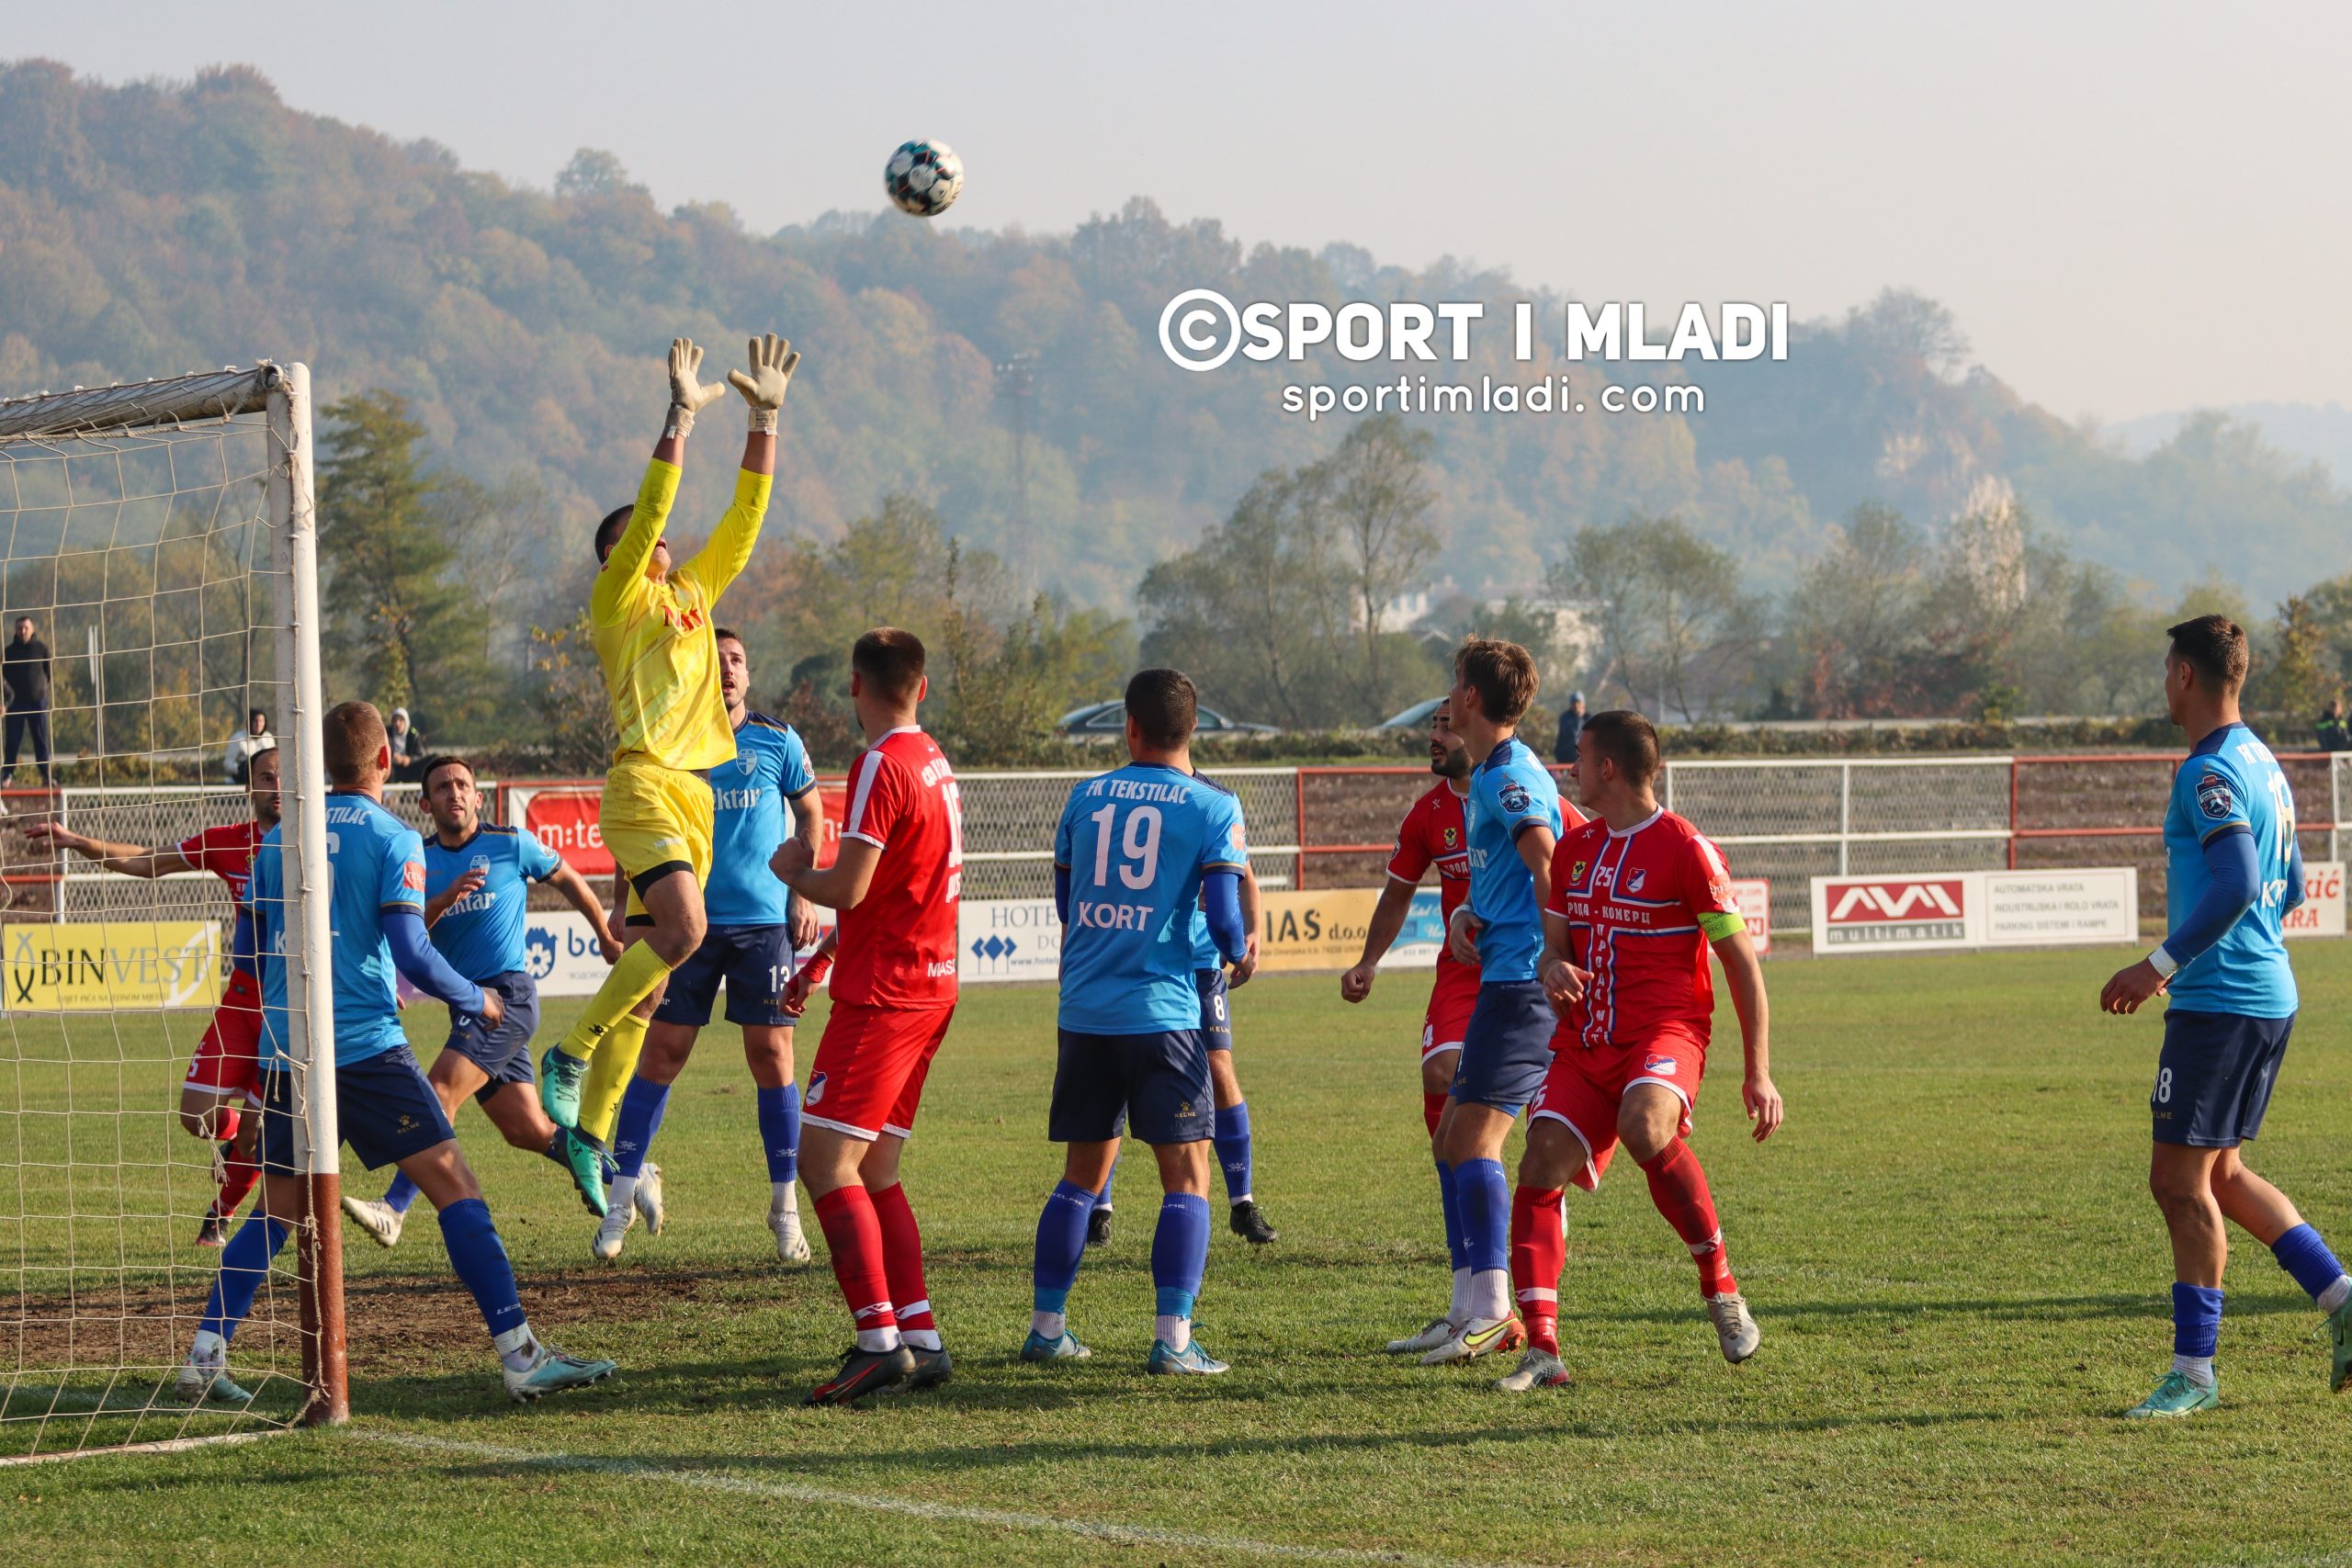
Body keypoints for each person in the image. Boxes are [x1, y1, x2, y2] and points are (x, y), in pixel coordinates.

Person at [176, 701, 615, 1406]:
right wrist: (476, 999)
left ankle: (203, 1354)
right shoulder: (394, 837)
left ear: (322, 764)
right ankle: (521, 1355)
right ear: (386, 761)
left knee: (276, 1213)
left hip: (292, 1055)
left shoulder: (279, 837)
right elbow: (411, 948)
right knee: (456, 1188)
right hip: (371, 1054)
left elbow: (248, 955)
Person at [537, 334, 797, 1156]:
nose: (664, 543)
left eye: (662, 542)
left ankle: (593, 1134)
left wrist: (765, 421)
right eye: (645, 539)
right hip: (646, 781)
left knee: (658, 964)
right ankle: (569, 1052)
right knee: (685, 933)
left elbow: (744, 521)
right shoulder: (616, 601)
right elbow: (653, 507)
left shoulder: (690, 593)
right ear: (615, 557)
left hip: (695, 797)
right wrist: (679, 416)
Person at [2098, 615, 2352, 1417]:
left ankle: (2195, 1374)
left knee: (2177, 1182)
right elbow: (2293, 883)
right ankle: (2343, 1298)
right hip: (2264, 993)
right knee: (2223, 1175)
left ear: (2184, 675)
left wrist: (2161, 964)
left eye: (2165, 668)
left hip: (2222, 1003)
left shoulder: (2208, 768)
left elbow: (2241, 878)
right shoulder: (2264, 761)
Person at [1496, 709, 1783, 1393]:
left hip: (1667, 1032)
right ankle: (1542, 1350)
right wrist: (1551, 968)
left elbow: (1741, 963)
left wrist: (1759, 1072)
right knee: (1538, 1165)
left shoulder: (1686, 848)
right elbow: (1556, 948)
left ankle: (1720, 1285)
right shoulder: (1574, 848)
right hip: (1587, 1038)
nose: (1569, 765)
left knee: (1644, 1124)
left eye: (1579, 755)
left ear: (1609, 769)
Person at [1024, 669, 1253, 1375]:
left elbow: (1068, 902)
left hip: (1085, 1008)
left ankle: (1046, 1327)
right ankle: (1174, 1340)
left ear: (1129, 726)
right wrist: (1239, 951)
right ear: (1193, 731)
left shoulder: (1085, 796)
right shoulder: (1213, 807)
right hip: (1161, 1013)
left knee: (1079, 1178)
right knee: (1187, 1178)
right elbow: (1222, 917)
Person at [594, 628, 825, 1265]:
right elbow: (642, 825)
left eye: (737, 660)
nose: (726, 668)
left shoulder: (778, 740)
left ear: (748, 673)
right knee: (662, 1051)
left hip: (761, 924)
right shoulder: (669, 742)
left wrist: (802, 890)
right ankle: (619, 1199)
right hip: (686, 925)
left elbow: (812, 812)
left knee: (771, 1053)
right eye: (715, 659)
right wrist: (622, 902)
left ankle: (784, 1210)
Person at [773, 628, 962, 1404]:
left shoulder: (882, 763)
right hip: (930, 985)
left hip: (886, 996)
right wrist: (820, 964)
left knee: (824, 1163)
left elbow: (848, 888)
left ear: (856, 685)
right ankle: (919, 1333)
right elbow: (892, 888)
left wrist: (795, 870)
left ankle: (877, 1340)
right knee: (876, 1167)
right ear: (921, 686)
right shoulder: (936, 760)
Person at [337, 753, 621, 1249]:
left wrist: (601, 932)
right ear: (426, 803)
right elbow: (407, 934)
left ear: (476, 794)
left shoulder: (509, 844)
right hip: (466, 1003)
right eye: (443, 787)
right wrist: (442, 901)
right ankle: (630, 1178)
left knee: (440, 1088)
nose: (455, 792)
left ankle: (394, 1208)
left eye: (462, 784)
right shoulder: (417, 857)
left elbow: (570, 878)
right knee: (527, 1130)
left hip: (507, 996)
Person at [26, 746, 284, 1247]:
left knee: (258, 1129)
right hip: (241, 1000)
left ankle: (219, 1214)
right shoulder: (229, 843)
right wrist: (76, 840)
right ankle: (236, 1142)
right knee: (196, 1115)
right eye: (266, 777)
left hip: (288, 1010)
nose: (275, 786)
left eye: (285, 777)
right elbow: (149, 862)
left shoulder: (320, 846)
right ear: (250, 788)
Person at [1423, 637, 1581, 1368]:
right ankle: (1468, 1308)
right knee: (1452, 1134)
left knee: (1474, 1140)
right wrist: (1468, 915)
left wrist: (1554, 951)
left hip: (1522, 985)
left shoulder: (1507, 775)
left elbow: (1545, 855)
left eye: (1455, 686)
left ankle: (1492, 1312)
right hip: (1504, 975)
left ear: (1474, 699)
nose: (1448, 699)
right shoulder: (1491, 769)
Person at [1338, 696, 1485, 1354]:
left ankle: (1489, 1297)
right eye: (1432, 724)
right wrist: (1370, 959)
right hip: (1461, 973)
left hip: (1523, 971)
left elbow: (1562, 868)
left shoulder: (1518, 791)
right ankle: (1462, 1302)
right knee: (1441, 1085)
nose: (1434, 735)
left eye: (1445, 725)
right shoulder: (1429, 812)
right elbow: (1399, 890)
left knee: (1483, 1130)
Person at [2, 615, 52, 787]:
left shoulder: (41, 649)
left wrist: (40, 690)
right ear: (15, 630)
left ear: (32, 629)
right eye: (19, 628)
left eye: (26, 628)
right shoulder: (8, 652)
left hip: (37, 702)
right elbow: (3, 679)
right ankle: (7, 775)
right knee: (12, 741)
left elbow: (48, 673)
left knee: (40, 738)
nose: (22, 631)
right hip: (15, 704)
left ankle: (46, 775)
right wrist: (4, 701)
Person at [224, 709, 274, 784]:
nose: (258, 724)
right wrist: (239, 768)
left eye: (261, 721)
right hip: (241, 782)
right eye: (255, 721)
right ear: (249, 722)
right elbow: (227, 764)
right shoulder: (237, 738)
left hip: (264, 782)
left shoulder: (269, 738)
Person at [385, 707, 424, 783]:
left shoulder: (413, 735)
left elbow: (419, 755)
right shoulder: (386, 733)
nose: (397, 723)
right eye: (395, 720)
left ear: (406, 722)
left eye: (401, 720)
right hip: (391, 769)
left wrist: (409, 759)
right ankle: (388, 794)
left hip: (409, 768)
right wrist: (392, 755)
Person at [1553, 692, 1585, 768]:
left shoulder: (1588, 718)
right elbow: (1573, 735)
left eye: (1578, 702)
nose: (1576, 705)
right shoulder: (1565, 718)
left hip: (1581, 760)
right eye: (1574, 702)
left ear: (1583, 704)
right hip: (1565, 759)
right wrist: (1578, 718)